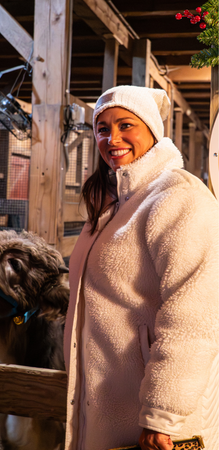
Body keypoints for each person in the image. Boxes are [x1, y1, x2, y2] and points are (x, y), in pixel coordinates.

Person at [63, 85, 219, 450]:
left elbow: (194, 317)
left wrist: (163, 413)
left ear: (151, 129)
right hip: (107, 404)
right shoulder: (114, 203)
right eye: (102, 128)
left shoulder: (179, 196)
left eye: (126, 125)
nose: (112, 138)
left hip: (156, 422)